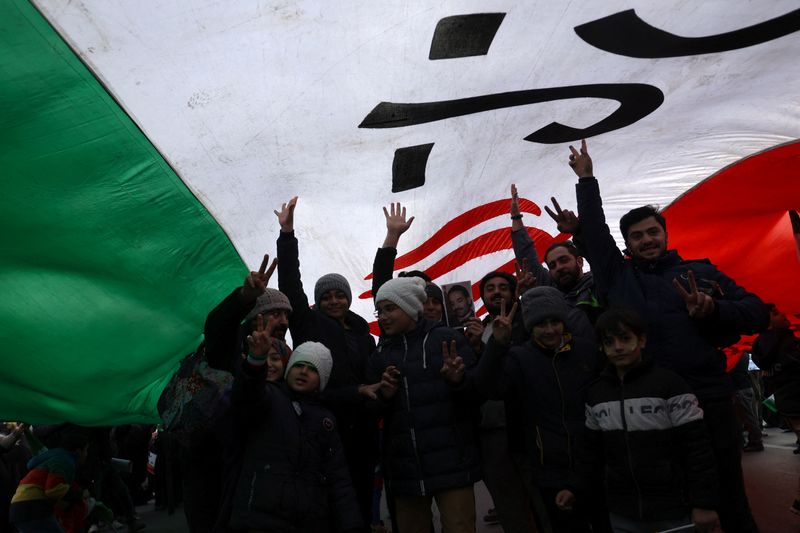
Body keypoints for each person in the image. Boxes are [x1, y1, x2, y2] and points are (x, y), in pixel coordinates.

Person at [570, 139, 768, 533]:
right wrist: (587, 181)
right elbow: (595, 231)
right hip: (649, 407)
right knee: (667, 507)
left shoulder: (702, 273)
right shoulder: (618, 277)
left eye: (652, 232)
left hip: (708, 400)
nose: (647, 240)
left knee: (730, 499)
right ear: (627, 245)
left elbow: (758, 313)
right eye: (637, 236)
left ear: (665, 234)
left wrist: (714, 309)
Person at [557, 307, 721, 533]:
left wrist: (704, 503)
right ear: (602, 347)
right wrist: (574, 487)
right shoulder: (596, 395)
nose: (618, 347)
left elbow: (697, 449)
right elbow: (590, 452)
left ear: (642, 340)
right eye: (609, 341)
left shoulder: (670, 385)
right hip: (622, 512)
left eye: (625, 338)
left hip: (674, 509)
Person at [275, 197, 380, 531]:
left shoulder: (363, 333)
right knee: (329, 504)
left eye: (340, 295)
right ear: (318, 302)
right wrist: (287, 235)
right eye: (327, 296)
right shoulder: (308, 323)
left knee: (361, 499)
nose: (334, 301)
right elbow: (290, 283)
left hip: (363, 430)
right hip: (323, 425)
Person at [476, 286, 603, 533]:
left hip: (592, 464)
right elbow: (487, 389)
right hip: (549, 471)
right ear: (530, 326)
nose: (550, 330)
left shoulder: (587, 351)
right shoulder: (519, 358)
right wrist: (496, 346)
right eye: (541, 324)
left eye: (555, 322)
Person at [371, 276, 482, 533]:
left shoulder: (446, 339)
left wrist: (458, 381)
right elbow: (370, 410)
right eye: (380, 311)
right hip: (406, 470)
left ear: (410, 307)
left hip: (452, 464)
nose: (383, 317)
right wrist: (383, 396)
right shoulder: (380, 354)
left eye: (390, 308)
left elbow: (477, 393)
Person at [227, 331, 363, 533]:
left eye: (312, 369)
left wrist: (351, 524)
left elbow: (339, 477)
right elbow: (246, 394)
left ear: (322, 379)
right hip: (259, 518)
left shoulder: (326, 420)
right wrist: (255, 362)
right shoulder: (269, 398)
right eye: (299, 365)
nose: (303, 372)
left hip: (308, 521)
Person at [509, 184, 603, 324]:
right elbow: (526, 256)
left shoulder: (599, 281)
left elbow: (600, 251)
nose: (559, 267)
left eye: (564, 260)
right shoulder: (551, 291)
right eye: (552, 265)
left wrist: (578, 231)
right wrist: (516, 216)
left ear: (580, 261)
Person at [370, 202, 445, 323]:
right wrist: (393, 234)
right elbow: (381, 279)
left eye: (436, 302)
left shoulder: (453, 334)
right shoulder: (393, 328)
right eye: (423, 301)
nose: (431, 307)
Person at [10, 424, 89, 533]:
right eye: (86, 450)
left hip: (24, 507)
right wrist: (78, 495)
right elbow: (53, 490)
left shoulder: (57, 458)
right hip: (32, 508)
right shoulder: (64, 461)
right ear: (78, 451)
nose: (87, 454)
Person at [752, 304, 800, 454]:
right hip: (789, 390)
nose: (784, 315)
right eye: (777, 313)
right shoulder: (785, 340)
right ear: (768, 322)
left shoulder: (761, 344)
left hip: (783, 393)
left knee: (793, 419)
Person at [730, 352, 764, 452]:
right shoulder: (744, 354)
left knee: (747, 417)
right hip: (745, 387)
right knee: (745, 417)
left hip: (740, 388)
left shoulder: (734, 355)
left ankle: (756, 441)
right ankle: (749, 440)